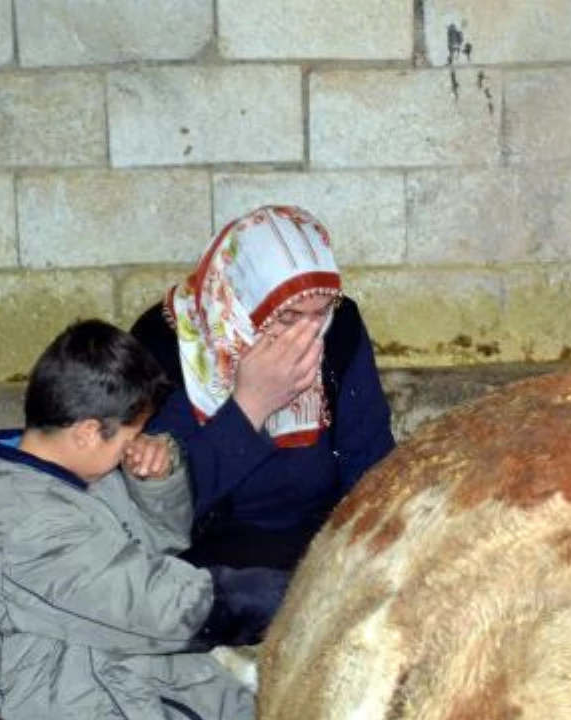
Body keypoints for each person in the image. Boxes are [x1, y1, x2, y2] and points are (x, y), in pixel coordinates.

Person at [0, 319, 287, 720]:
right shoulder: (20, 523)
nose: (135, 442)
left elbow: (162, 543)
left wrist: (154, 482)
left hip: (143, 686)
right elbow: (159, 605)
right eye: (131, 432)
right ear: (90, 431)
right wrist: (296, 596)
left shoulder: (75, 474)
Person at [130, 205, 395, 573]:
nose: (307, 333)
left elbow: (369, 458)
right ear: (237, 297)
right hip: (208, 557)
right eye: (287, 317)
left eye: (321, 313)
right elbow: (163, 508)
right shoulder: (168, 344)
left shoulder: (339, 327)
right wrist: (251, 404)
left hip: (319, 541)